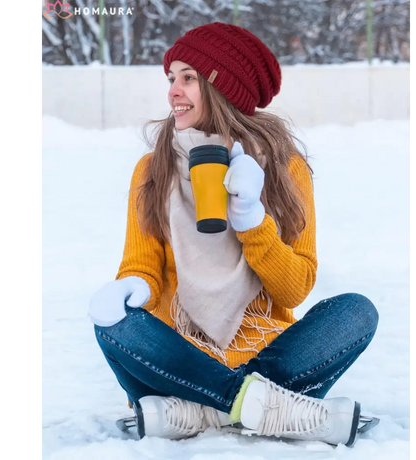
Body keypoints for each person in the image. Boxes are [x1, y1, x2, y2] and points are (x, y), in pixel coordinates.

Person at [88, 22, 379, 447]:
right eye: (172, 78)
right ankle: (267, 409)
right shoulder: (152, 172)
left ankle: (200, 411)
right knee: (113, 322)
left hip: (264, 362)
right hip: (179, 361)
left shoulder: (285, 169)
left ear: (225, 89)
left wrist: (251, 219)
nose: (173, 91)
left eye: (189, 78)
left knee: (356, 311)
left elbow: (294, 289)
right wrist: (132, 287)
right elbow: (142, 269)